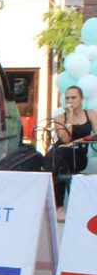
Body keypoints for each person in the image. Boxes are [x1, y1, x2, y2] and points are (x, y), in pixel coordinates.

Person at [43, 85, 95, 223]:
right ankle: (58, 207)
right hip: (61, 153)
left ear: (82, 99)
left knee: (55, 158)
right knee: (58, 159)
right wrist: (70, 117)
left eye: (74, 97)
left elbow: (96, 134)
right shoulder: (61, 116)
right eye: (67, 98)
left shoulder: (90, 113)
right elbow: (64, 139)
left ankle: (56, 205)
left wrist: (77, 141)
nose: (70, 101)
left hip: (77, 155)